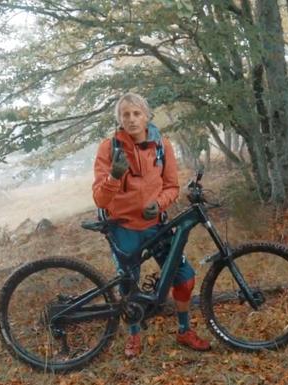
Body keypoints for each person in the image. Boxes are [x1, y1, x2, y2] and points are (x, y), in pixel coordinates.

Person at [92, 92, 211, 358]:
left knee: (184, 278)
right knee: (128, 284)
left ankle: (184, 330)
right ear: (119, 120)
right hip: (122, 227)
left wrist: (159, 204)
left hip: (156, 225)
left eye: (137, 113)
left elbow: (171, 186)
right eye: (126, 114)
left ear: (146, 116)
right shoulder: (108, 148)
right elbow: (99, 197)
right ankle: (134, 335)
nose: (132, 119)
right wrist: (114, 177)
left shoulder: (162, 145)